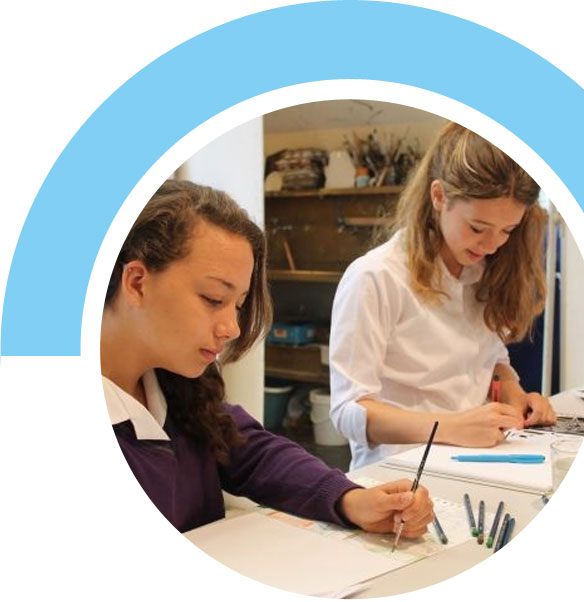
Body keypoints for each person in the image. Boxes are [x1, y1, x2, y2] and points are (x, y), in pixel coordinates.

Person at [100, 179, 433, 536]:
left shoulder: (175, 382)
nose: (232, 328)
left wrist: (349, 499)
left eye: (238, 305)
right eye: (214, 299)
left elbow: (252, 453)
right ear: (136, 282)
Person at [329, 122, 557, 470]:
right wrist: (450, 427)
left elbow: (490, 356)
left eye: (508, 230)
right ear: (439, 197)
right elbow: (348, 411)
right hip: (396, 473)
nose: (493, 244)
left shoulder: (484, 270)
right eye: (478, 228)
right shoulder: (375, 277)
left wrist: (513, 391)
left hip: (479, 460)